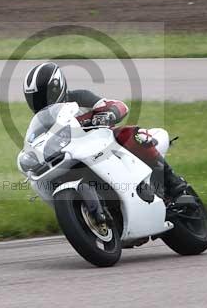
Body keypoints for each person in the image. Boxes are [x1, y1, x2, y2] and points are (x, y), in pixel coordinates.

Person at [23, 61, 189, 202]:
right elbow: (33, 145)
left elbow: (117, 105)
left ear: (56, 88)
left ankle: (175, 186)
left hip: (105, 146)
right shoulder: (42, 123)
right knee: (38, 181)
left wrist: (109, 113)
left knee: (131, 134)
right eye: (34, 99)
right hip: (74, 156)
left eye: (42, 97)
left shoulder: (80, 97)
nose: (39, 103)